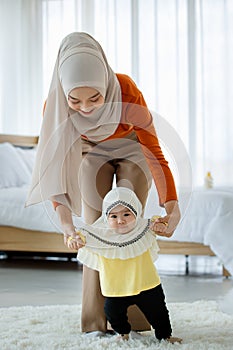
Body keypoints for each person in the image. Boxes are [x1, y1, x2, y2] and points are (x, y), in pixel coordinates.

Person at [26, 32, 181, 335]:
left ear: (106, 84)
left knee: (129, 224)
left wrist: (172, 208)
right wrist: (67, 224)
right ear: (64, 94)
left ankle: (134, 320)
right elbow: (55, 169)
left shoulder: (125, 89)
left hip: (133, 147)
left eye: (95, 98)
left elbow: (154, 152)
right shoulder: (55, 106)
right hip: (88, 151)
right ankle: (95, 321)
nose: (85, 108)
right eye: (75, 100)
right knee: (95, 228)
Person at [69, 187, 182, 343]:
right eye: (113, 216)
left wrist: (161, 226)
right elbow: (79, 235)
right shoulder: (99, 234)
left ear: (136, 213)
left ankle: (165, 335)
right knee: (113, 313)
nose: (120, 220)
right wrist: (74, 241)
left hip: (147, 284)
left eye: (126, 214)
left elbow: (161, 225)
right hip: (116, 288)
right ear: (106, 217)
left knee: (159, 313)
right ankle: (123, 333)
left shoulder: (145, 227)